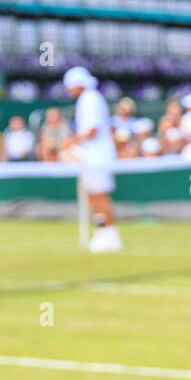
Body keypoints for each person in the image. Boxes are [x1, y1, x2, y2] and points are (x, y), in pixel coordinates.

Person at [60, 66, 121, 252]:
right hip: (93, 155)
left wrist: (72, 141)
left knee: (98, 193)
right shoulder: (89, 99)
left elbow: (93, 129)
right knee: (92, 192)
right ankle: (103, 232)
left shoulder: (90, 99)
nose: (68, 90)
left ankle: (109, 234)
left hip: (98, 156)